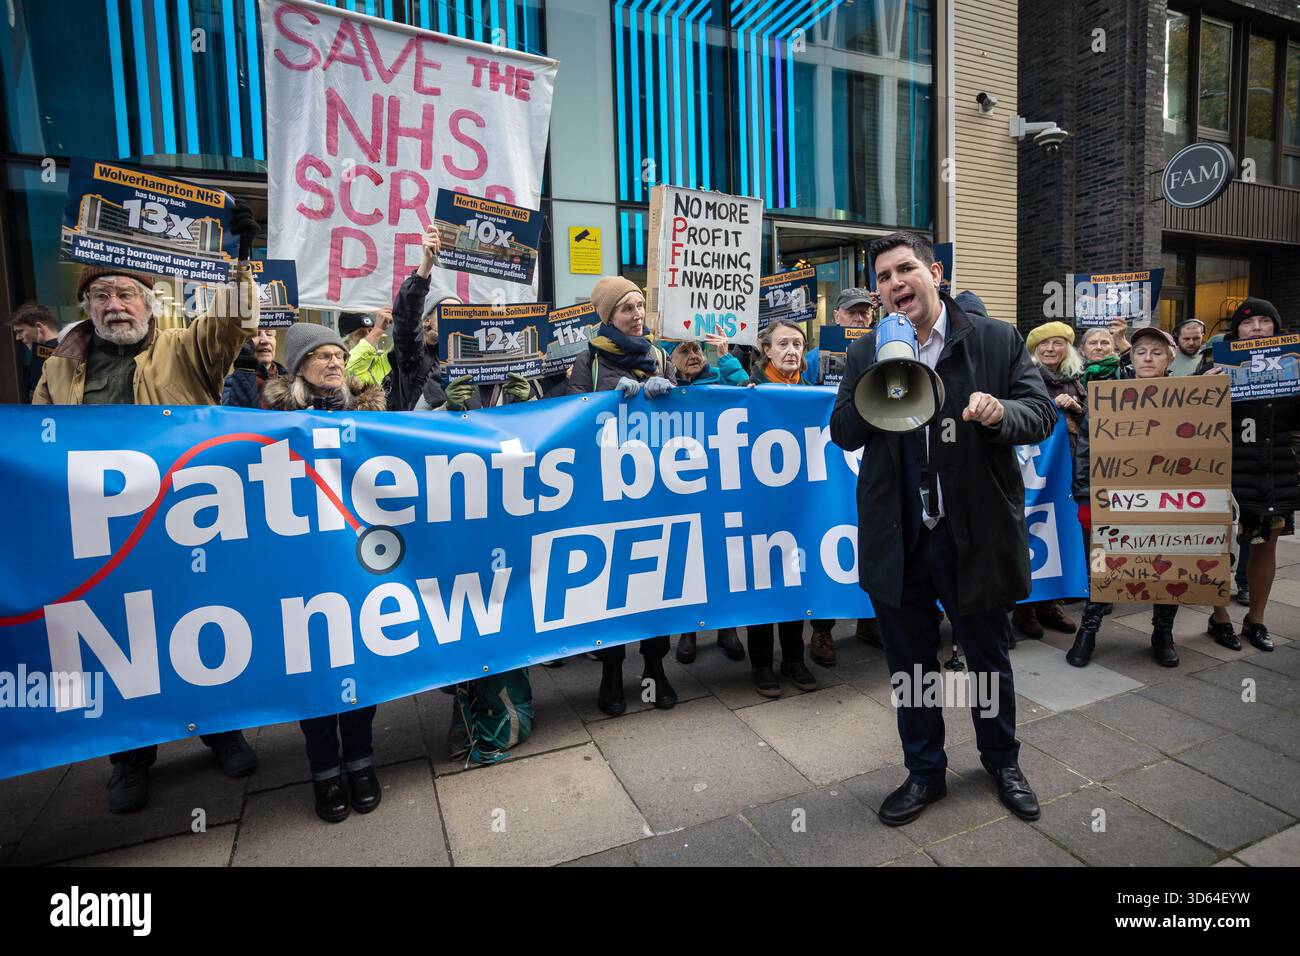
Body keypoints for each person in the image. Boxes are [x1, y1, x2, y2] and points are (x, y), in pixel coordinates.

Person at [33, 200, 262, 814]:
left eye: (127, 292)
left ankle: (221, 730)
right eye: (102, 293)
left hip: (181, 525)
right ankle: (131, 758)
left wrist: (241, 262)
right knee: (120, 644)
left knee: (198, 631)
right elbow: (36, 447)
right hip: (105, 536)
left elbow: (235, 323)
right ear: (86, 307)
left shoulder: (187, 349)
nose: (115, 304)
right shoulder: (58, 370)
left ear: (150, 300)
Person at [830, 231, 1056, 827]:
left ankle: (1001, 761)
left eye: (904, 269)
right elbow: (844, 433)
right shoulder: (864, 352)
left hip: (973, 531)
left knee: (987, 656)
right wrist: (878, 377)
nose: (893, 283)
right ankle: (925, 771)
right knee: (910, 664)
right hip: (899, 533)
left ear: (935, 273)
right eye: (882, 277)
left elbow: (1043, 413)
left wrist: (1001, 413)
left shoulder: (994, 338)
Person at [262, 322, 386, 821]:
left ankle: (360, 761)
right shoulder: (274, 417)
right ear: (298, 369)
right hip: (302, 566)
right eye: (321, 357)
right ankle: (324, 772)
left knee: (360, 660)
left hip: (356, 560)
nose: (335, 363)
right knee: (314, 666)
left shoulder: (373, 411)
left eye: (339, 355)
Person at [566, 275, 678, 716]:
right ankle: (611, 670)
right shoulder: (588, 359)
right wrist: (605, 403)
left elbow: (686, 414)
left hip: (656, 487)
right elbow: (570, 414)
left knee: (657, 581)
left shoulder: (660, 355)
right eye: (626, 309)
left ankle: (654, 670)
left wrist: (673, 395)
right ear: (608, 317)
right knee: (611, 584)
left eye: (639, 306)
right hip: (607, 490)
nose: (637, 316)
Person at [1068, 327, 1187, 668]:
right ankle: (1088, 631)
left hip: (1168, 503)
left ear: (1170, 358)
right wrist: (1085, 497)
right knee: (1103, 565)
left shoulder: (1190, 396)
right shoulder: (1108, 396)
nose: (1148, 358)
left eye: (1156, 352)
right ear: (1131, 358)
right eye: (1141, 352)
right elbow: (1087, 448)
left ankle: (1162, 632)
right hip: (1115, 501)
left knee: (1168, 564)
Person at [1202, 299, 1298, 654]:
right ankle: (1220, 617)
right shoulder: (1217, 366)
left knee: (1264, 546)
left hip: (1274, 473)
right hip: (1225, 473)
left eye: (1264, 321)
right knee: (1217, 547)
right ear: (1236, 331)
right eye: (1248, 322)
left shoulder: (1293, 366)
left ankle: (1256, 619)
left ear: (1275, 328)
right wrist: (1205, 389)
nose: (1256, 327)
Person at [743, 319, 822, 694]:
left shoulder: (812, 394)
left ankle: (794, 659)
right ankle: (761, 664)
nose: (792, 351)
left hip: (799, 505)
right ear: (766, 350)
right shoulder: (749, 391)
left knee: (795, 580)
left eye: (798, 344)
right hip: (761, 506)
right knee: (763, 582)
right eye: (784, 344)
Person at [669, 332, 747, 664]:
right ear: (670, 360)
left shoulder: (720, 379)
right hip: (683, 485)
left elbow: (746, 390)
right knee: (689, 557)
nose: (694, 354)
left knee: (722, 556)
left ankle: (726, 628)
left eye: (697, 348)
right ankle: (688, 630)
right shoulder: (666, 389)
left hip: (720, 481)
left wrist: (726, 355)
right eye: (684, 350)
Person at [1012, 321, 1085, 640]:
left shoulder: (1075, 381)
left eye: (1057, 343)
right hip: (1034, 470)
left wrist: (1078, 409)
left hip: (1066, 467)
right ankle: (1024, 607)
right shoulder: (1028, 378)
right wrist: (1049, 408)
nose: (1051, 349)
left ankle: (1049, 603)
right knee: (1031, 531)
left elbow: (1089, 420)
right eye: (1044, 344)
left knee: (1056, 532)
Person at [803, 287, 875, 385]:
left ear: (871, 317)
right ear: (837, 316)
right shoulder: (814, 358)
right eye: (851, 312)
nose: (858, 318)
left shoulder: (881, 351)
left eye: (864, 312)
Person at [8, 302, 61, 402]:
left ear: (39, 327)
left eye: (20, 331)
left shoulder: (43, 355)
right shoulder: (71, 350)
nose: (18, 338)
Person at [222, 327, 285, 407]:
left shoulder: (290, 382)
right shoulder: (231, 384)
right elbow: (238, 415)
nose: (264, 340)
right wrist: (245, 368)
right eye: (255, 334)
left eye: (269, 334)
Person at [343, 308, 394, 388]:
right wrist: (377, 330)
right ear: (346, 341)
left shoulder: (378, 361)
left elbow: (400, 349)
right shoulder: (339, 367)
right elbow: (351, 369)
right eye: (361, 333)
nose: (368, 336)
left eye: (370, 331)